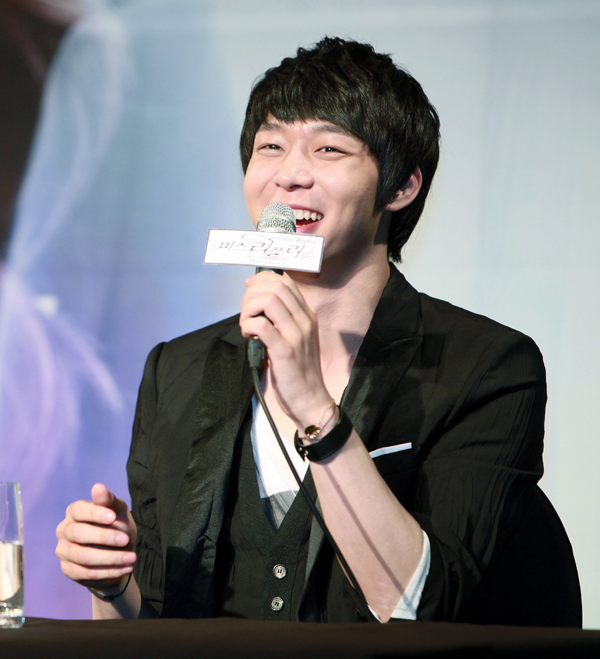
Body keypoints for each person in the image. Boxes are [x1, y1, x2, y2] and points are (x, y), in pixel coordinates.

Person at [56, 37, 581, 625]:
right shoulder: (177, 369)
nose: (289, 175)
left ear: (401, 187)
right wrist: (113, 586)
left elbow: (424, 605)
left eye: (329, 148)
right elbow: (161, 626)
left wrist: (315, 409)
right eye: (271, 146)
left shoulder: (484, 366)